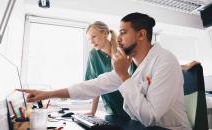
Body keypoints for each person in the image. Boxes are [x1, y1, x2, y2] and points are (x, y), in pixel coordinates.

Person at [18, 12, 191, 130]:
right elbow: (95, 85)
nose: (119, 38)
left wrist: (123, 75)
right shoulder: (135, 65)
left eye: (123, 32)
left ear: (141, 35)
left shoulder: (164, 61)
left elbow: (150, 118)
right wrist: (47, 94)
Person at [84, 21, 136, 118]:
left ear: (105, 33)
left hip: (132, 107)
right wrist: (92, 111)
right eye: (89, 39)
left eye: (94, 37)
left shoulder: (123, 50)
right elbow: (95, 85)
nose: (91, 42)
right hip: (112, 109)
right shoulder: (93, 55)